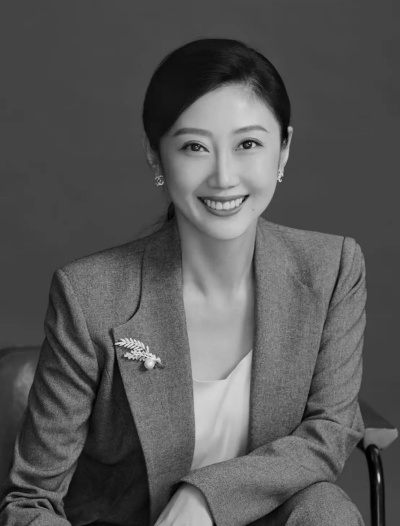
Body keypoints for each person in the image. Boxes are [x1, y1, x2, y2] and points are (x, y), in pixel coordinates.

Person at [0, 38, 367, 526]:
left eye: (248, 144)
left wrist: (205, 497)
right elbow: (30, 500)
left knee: (325, 509)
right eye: (195, 147)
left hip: (269, 518)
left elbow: (332, 429)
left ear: (283, 150)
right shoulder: (89, 295)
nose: (224, 176)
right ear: (155, 156)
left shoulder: (332, 268)